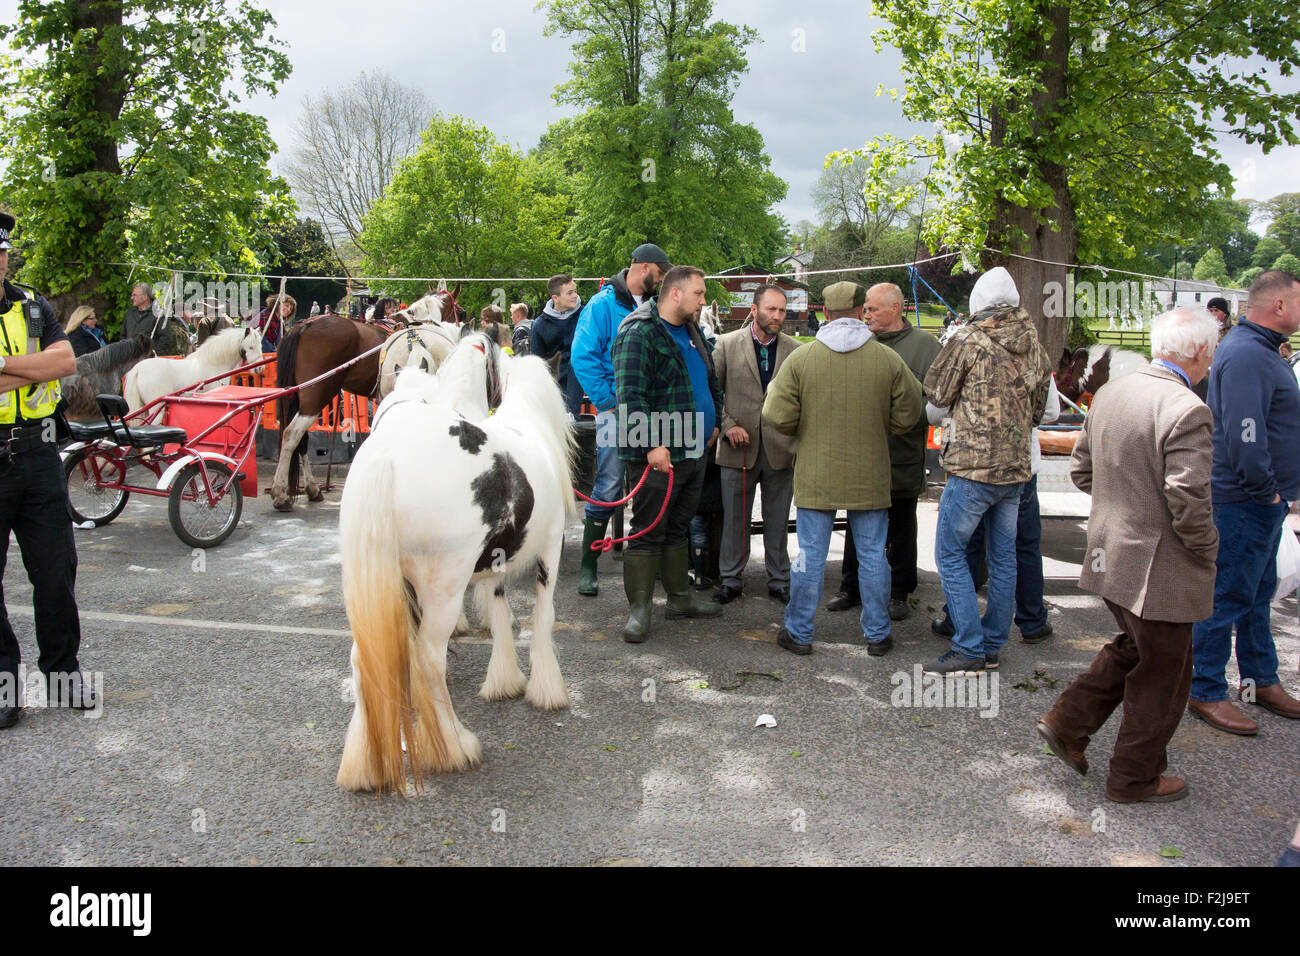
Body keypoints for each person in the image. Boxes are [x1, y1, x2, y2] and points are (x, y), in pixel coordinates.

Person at [1038, 307, 1220, 803]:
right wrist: (1207, 550)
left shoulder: (1113, 393)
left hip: (1111, 554)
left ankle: (1067, 722)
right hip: (1159, 567)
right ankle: (1133, 778)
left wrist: (1122, 510)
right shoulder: (1186, 407)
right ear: (1201, 351)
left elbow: (1082, 471)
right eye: (1213, 349)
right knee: (1165, 674)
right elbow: (1188, 499)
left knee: (1139, 648)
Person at [762, 281, 923, 656]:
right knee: (872, 554)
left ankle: (799, 632)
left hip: (817, 473)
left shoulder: (801, 359)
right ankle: (878, 634)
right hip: (871, 474)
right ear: (859, 312)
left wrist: (804, 428)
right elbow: (911, 414)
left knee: (810, 555)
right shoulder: (887, 359)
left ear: (827, 313)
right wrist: (884, 428)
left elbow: (775, 414)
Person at [922, 267, 1053, 675]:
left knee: (951, 553)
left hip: (973, 468)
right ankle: (993, 642)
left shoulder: (966, 339)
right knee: (1004, 556)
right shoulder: (1034, 342)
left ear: (978, 302)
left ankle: (969, 648)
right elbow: (1040, 411)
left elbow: (937, 397)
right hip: (1016, 470)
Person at [1189, 269, 1300, 734]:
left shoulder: (1259, 350)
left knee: (1255, 594)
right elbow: (1243, 434)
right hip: (1244, 501)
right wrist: (1267, 491)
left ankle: (1259, 680)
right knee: (1229, 594)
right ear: (1278, 305)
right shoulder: (1249, 354)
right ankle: (1204, 688)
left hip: (1258, 501)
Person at [0, 212, 94, 729]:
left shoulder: (33, 306)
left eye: (2, 251)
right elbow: (47, 365)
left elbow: (64, 364)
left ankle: (62, 674)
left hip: (38, 455)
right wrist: (27, 372)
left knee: (56, 572)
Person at [611, 265, 722, 642]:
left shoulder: (692, 330)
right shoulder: (638, 331)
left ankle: (679, 599)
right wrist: (651, 445)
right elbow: (629, 395)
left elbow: (710, 380)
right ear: (675, 294)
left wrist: (717, 421)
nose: (703, 300)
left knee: (677, 528)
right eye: (699, 294)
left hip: (695, 450)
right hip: (658, 455)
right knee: (646, 530)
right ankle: (639, 611)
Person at [825, 283, 940, 620]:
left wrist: (903, 416)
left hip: (903, 454)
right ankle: (851, 587)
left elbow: (936, 402)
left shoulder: (926, 347)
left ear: (895, 308)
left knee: (902, 523)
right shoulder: (860, 341)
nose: (867, 314)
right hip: (863, 453)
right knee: (858, 518)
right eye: (865, 309)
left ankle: (900, 592)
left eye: (873, 309)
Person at [569, 243, 671, 596]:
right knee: (610, 483)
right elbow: (582, 356)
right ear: (643, 268)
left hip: (650, 410)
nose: (661, 280)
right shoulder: (602, 305)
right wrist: (608, 402)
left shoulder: (657, 307)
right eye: (659, 273)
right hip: (615, 413)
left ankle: (650, 559)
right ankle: (587, 566)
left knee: (653, 483)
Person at [929, 375, 1061, 642]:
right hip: (1018, 463)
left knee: (963, 548)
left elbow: (935, 410)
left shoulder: (966, 347)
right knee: (1016, 549)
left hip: (974, 465)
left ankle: (959, 622)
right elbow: (1051, 411)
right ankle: (1030, 620)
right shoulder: (1031, 350)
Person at [711, 284, 799, 605]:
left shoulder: (795, 350)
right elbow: (712, 393)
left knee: (778, 521)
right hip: (738, 449)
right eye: (771, 309)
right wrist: (728, 425)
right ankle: (731, 580)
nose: (777, 316)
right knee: (735, 521)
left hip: (780, 449)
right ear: (754, 309)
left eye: (782, 310)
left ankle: (779, 580)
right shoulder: (726, 345)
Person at [531, 275, 584, 416]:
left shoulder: (586, 315)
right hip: (555, 387)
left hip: (583, 379)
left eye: (575, 291)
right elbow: (537, 364)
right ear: (555, 298)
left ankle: (572, 416)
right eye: (570, 293)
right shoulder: (539, 325)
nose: (575, 296)